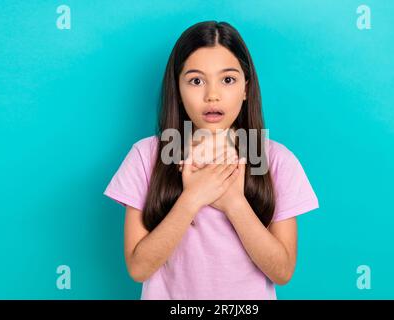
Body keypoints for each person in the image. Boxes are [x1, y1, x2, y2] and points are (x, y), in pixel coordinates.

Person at [103, 21, 319, 300]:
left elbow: (282, 271)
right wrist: (193, 198)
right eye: (196, 81)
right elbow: (138, 268)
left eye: (228, 79)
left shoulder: (277, 160)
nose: (212, 95)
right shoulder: (146, 156)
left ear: (245, 88)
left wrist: (233, 202)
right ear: (178, 90)